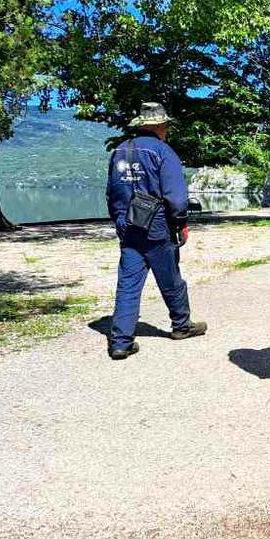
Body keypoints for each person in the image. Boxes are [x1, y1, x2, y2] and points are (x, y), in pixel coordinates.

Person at [106, 102, 206, 360]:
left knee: (128, 284)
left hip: (127, 225)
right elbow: (176, 196)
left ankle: (120, 342)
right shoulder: (162, 151)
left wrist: (119, 219)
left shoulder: (119, 151)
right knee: (170, 277)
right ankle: (181, 325)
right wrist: (180, 222)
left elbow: (112, 193)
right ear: (160, 126)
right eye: (166, 125)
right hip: (156, 224)